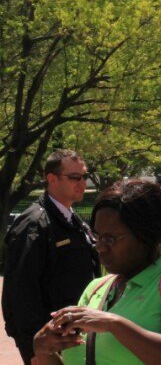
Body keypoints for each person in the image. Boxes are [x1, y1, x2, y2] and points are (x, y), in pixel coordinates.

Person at [31, 179, 161, 365]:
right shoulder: (96, 288)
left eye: (110, 238)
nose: (100, 247)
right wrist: (43, 349)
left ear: (145, 235)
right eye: (97, 236)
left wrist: (114, 324)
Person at [2, 149, 100, 364]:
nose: (82, 182)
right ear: (52, 179)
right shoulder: (34, 223)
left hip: (73, 332)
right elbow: (20, 291)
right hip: (49, 339)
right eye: (74, 177)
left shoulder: (72, 219)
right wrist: (33, 345)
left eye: (84, 176)